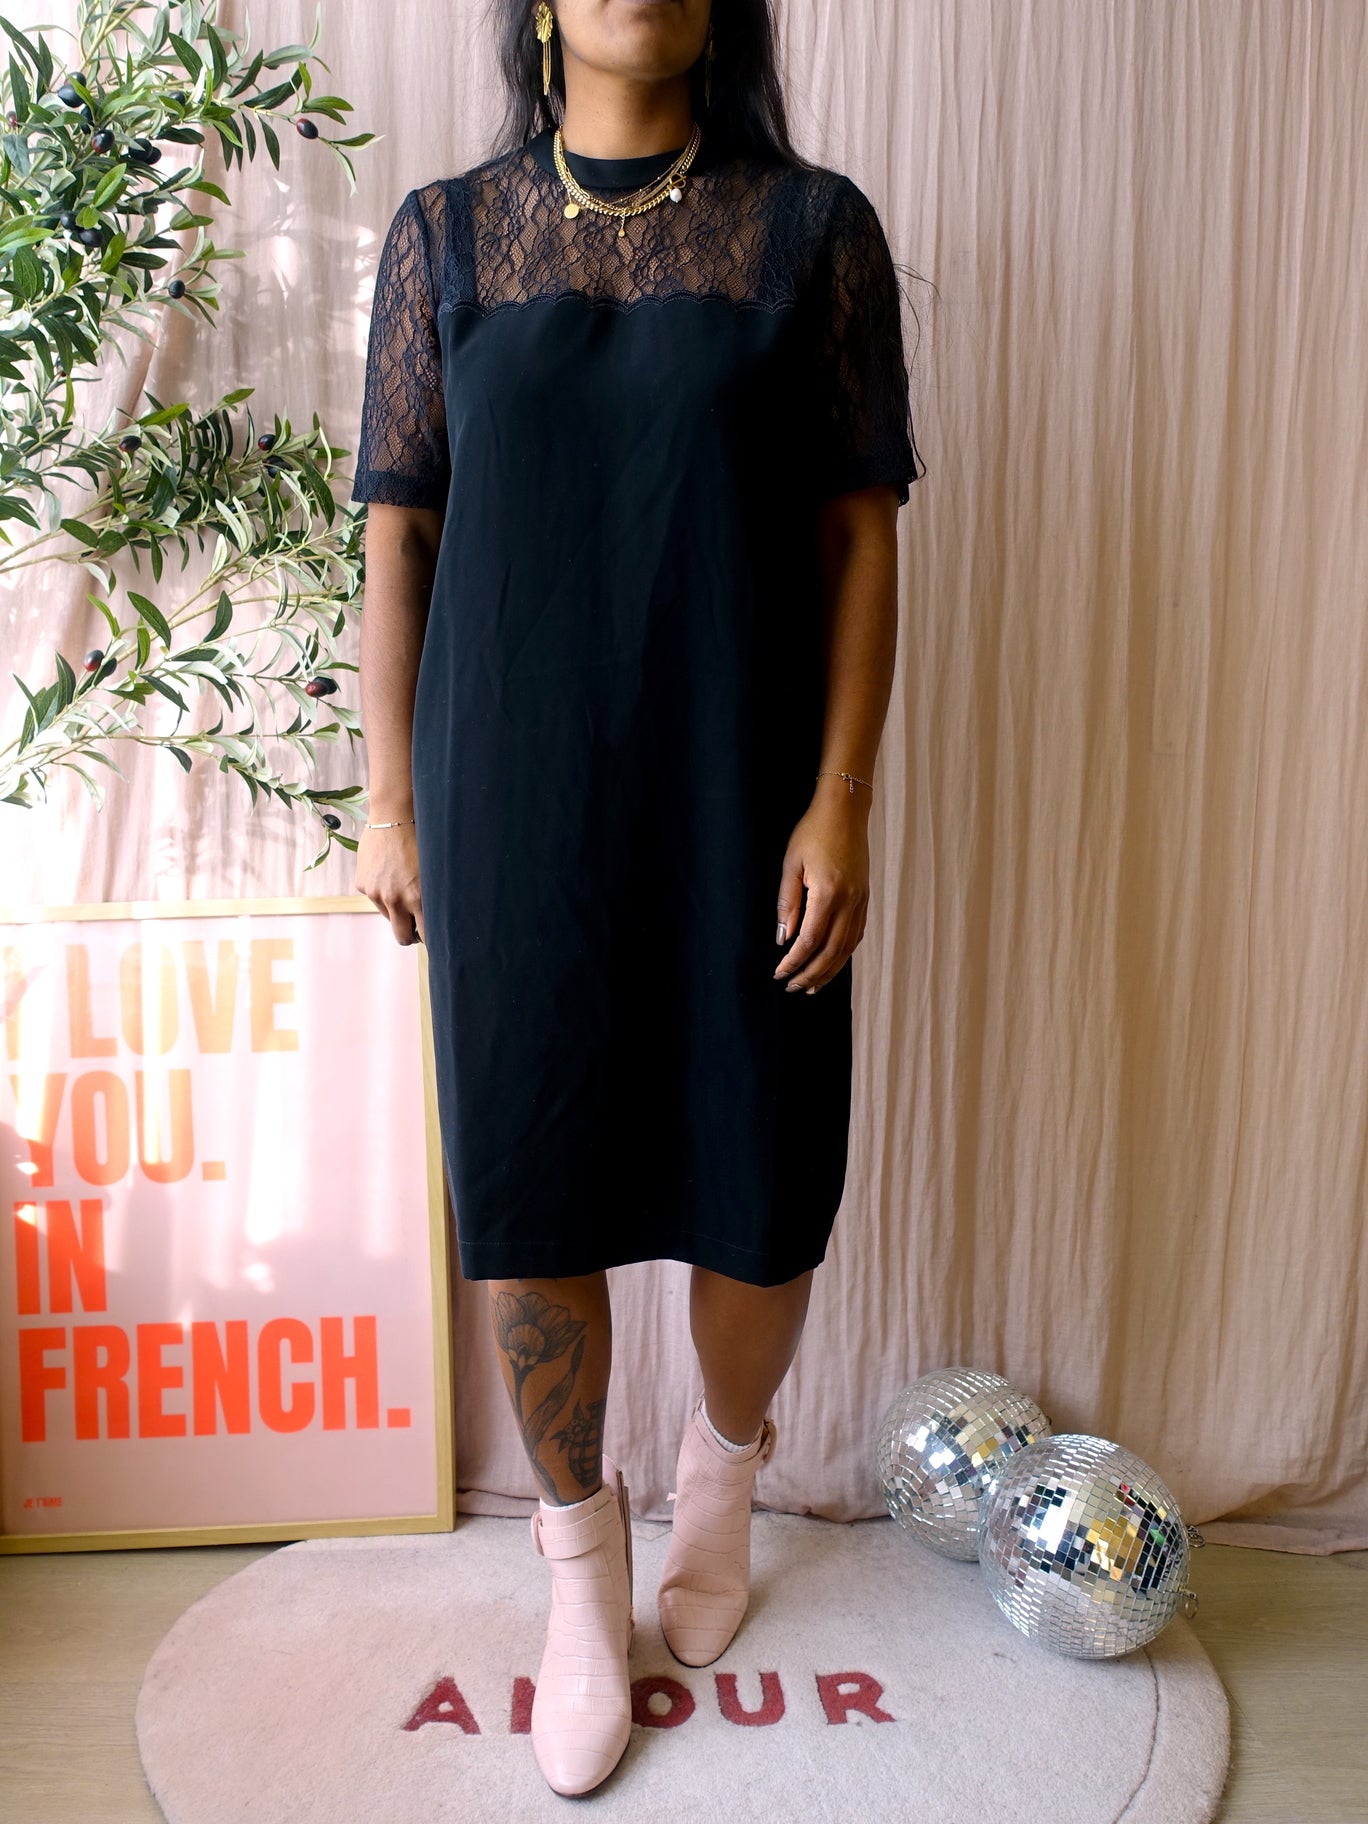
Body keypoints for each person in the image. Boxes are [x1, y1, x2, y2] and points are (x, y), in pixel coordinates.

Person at [352, 0, 923, 1797]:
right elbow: (398, 532)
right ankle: (579, 1575)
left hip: (744, 795)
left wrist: (840, 800)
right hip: (511, 799)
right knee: (537, 1178)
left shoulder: (812, 232)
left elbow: (859, 532)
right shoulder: (445, 238)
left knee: (760, 1177)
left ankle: (722, 1483)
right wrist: (389, 799)